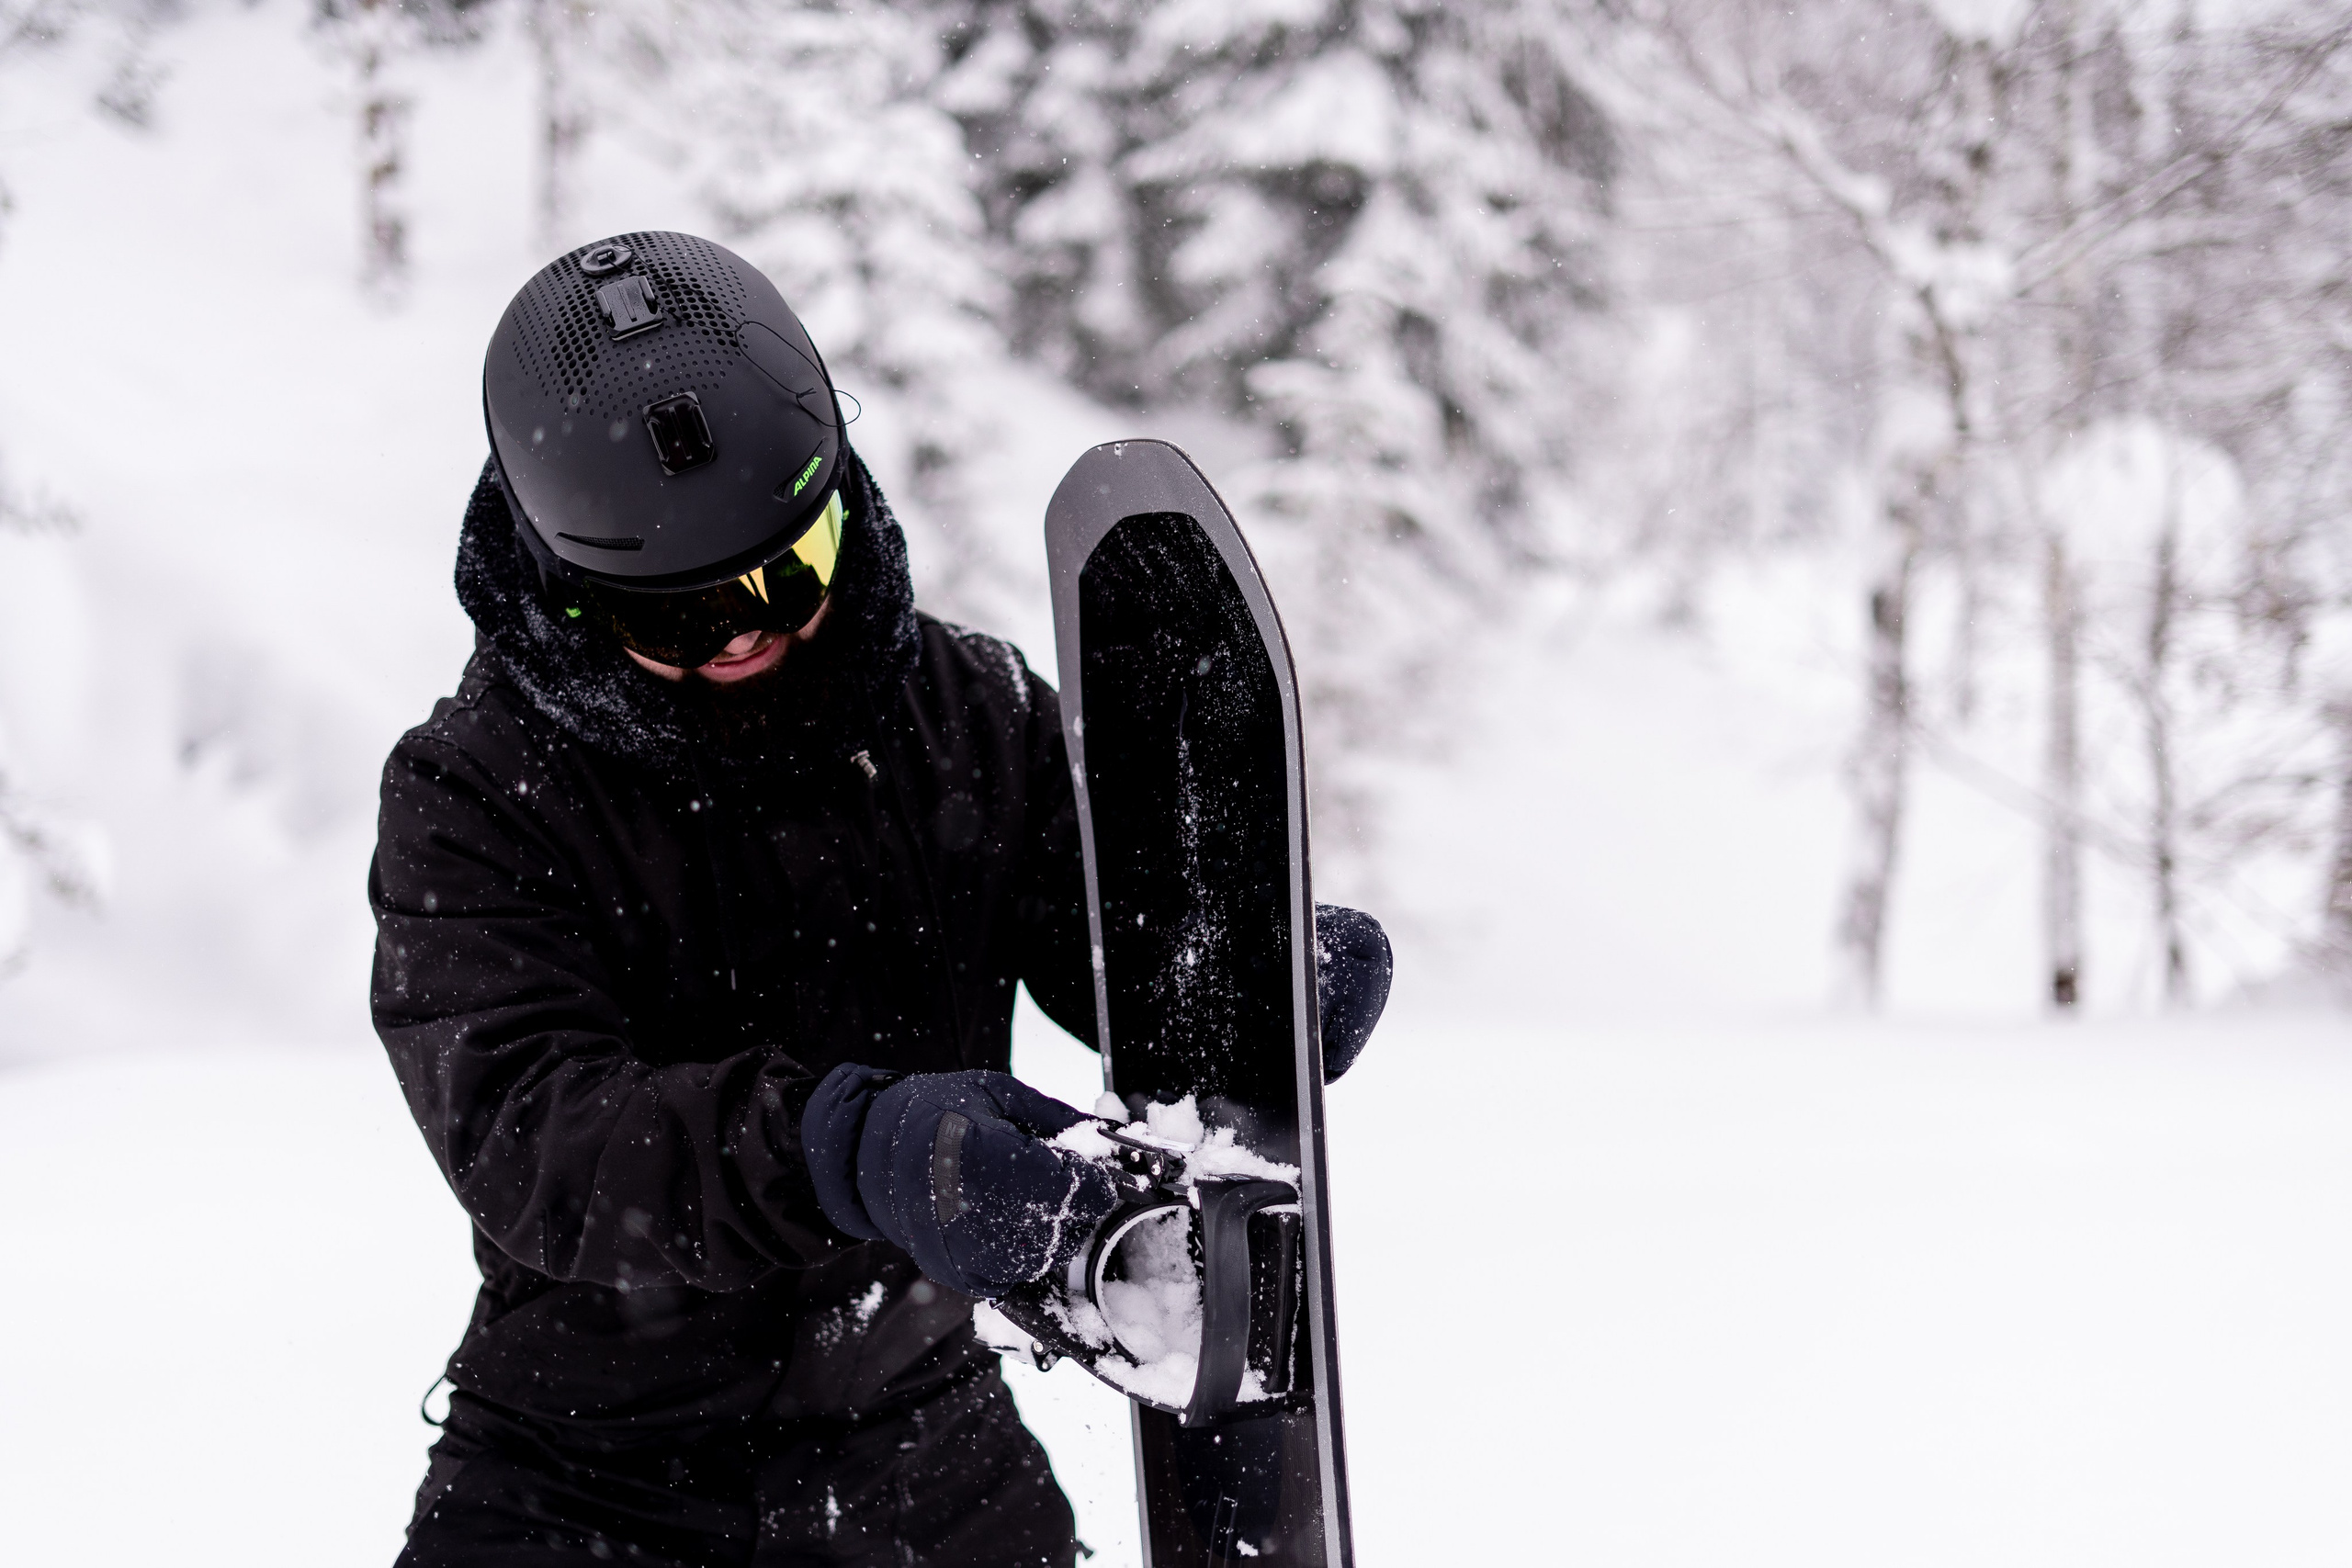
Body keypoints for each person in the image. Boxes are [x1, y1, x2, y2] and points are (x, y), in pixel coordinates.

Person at [369, 231, 1391, 1568]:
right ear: (567, 594)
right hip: (591, 1480)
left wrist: (1238, 986)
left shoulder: (965, 712)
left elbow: (1103, 962)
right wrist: (852, 1147)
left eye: (786, 571)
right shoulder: (475, 793)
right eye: (677, 616)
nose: (744, 631)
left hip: (925, 1453)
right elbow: (535, 1139)